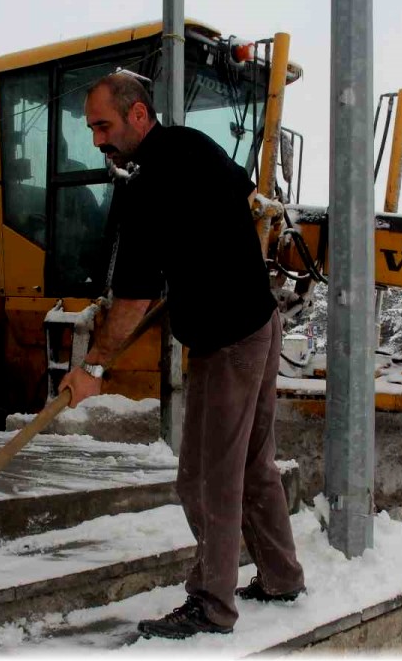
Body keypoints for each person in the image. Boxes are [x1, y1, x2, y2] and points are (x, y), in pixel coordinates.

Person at [59, 71, 306, 640]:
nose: (98, 140)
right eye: (92, 127)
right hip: (259, 320)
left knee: (204, 477)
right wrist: (198, 259)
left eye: (104, 125)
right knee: (251, 464)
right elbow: (240, 201)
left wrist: (94, 366)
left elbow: (133, 297)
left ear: (139, 115)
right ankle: (281, 577)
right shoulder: (194, 144)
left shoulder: (147, 183)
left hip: (228, 341)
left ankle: (211, 607)